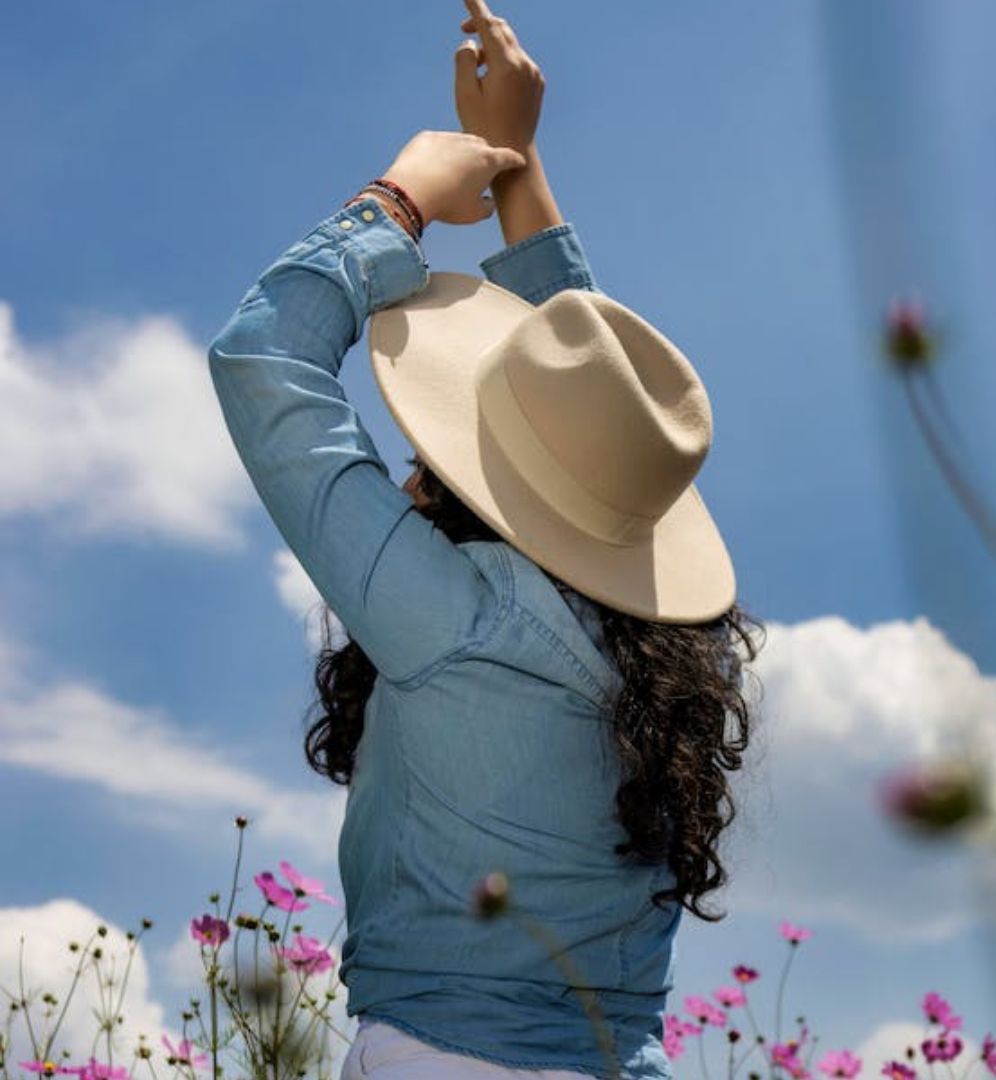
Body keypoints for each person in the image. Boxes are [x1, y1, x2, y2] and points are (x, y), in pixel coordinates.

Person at [206, 2, 764, 1077]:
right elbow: (603, 412)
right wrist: (519, 167)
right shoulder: (682, 656)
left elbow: (261, 363)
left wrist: (397, 199)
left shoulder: (455, 618)